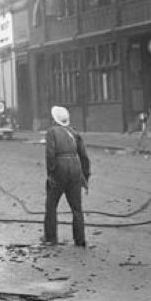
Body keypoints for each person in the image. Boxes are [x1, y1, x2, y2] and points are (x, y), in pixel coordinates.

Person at [43, 105, 91, 247]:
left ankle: (51, 238)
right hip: (75, 170)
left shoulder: (51, 132)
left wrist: (51, 174)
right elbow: (84, 157)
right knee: (77, 208)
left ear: (54, 119)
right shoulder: (74, 132)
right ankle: (80, 239)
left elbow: (50, 155)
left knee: (51, 206)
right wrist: (85, 177)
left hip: (59, 170)